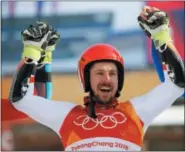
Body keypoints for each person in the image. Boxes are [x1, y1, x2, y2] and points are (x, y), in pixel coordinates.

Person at [8, 6, 184, 151]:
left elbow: (177, 83)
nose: (107, 79)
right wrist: (33, 52)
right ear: (86, 79)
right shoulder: (66, 116)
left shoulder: (137, 111)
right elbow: (21, 99)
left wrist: (162, 37)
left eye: (113, 74)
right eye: (99, 73)